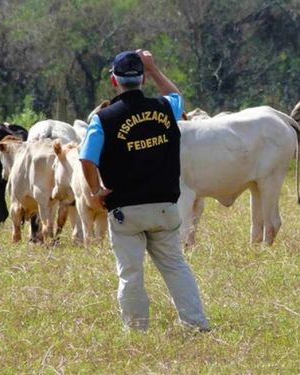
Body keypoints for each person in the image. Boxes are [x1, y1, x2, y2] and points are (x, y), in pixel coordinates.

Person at [79, 49, 209, 332]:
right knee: (175, 266)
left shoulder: (103, 119)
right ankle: (196, 324)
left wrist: (95, 190)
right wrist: (154, 69)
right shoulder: (164, 108)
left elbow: (86, 158)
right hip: (164, 206)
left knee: (130, 273)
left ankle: (137, 330)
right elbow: (177, 98)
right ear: (142, 80)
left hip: (125, 210)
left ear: (114, 82)